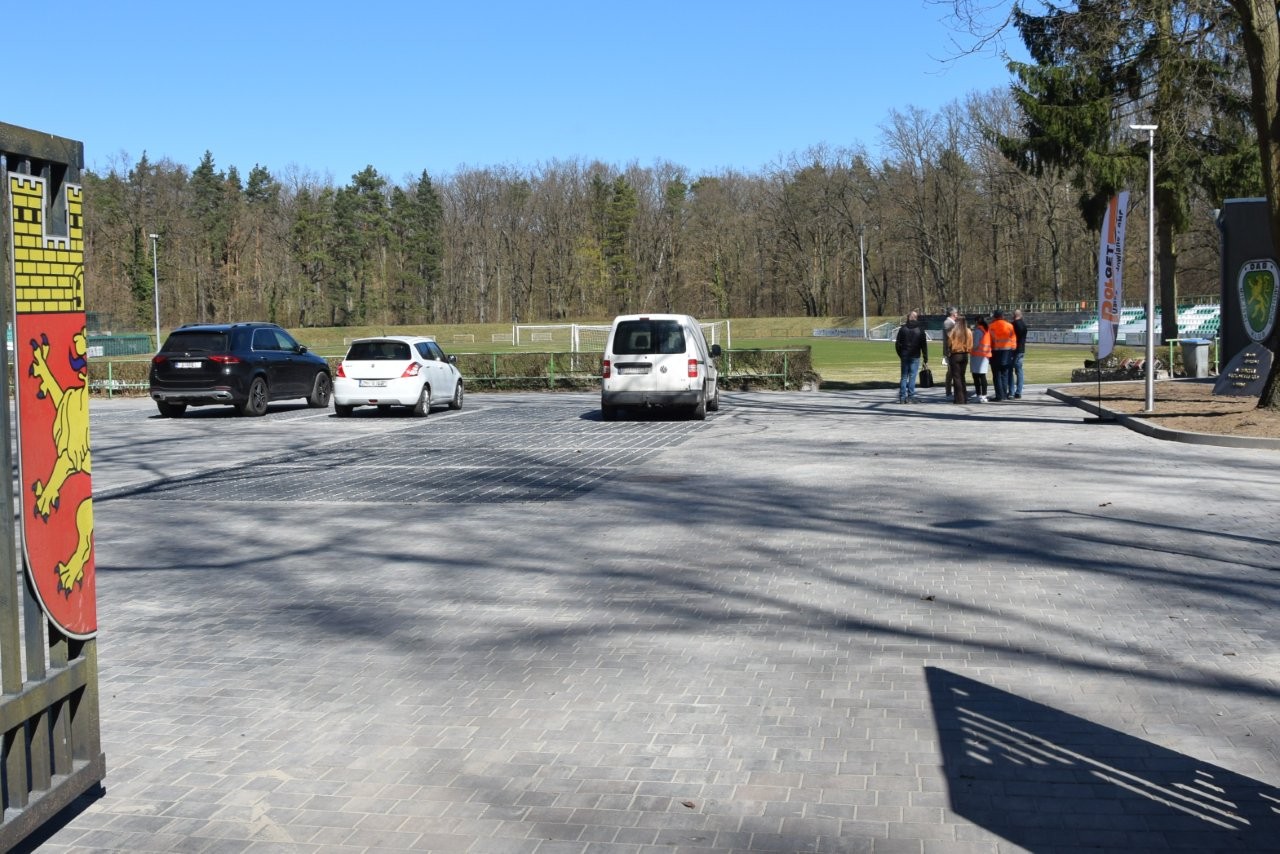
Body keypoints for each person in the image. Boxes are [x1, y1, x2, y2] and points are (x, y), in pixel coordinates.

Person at [894, 310, 929, 404]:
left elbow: (897, 344)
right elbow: (924, 345)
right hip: (915, 355)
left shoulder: (903, 329)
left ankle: (902, 397)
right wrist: (925, 358)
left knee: (904, 376)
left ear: (908, 318)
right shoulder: (920, 329)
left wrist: (900, 354)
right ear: (916, 318)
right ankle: (911, 396)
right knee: (912, 376)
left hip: (905, 355)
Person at [988, 309, 1017, 401]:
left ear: (994, 317)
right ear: (1003, 316)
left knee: (996, 375)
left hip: (995, 352)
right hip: (1007, 352)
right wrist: (1013, 348)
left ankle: (999, 395)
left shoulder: (991, 326)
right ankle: (1004, 394)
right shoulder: (1009, 326)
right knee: (1005, 374)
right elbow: (1013, 338)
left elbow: (989, 341)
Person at [947, 315, 972, 404]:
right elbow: (971, 344)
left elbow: (949, 342)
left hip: (955, 354)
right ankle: (964, 397)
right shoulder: (968, 331)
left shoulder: (953, 331)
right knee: (962, 377)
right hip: (965, 354)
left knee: (956, 378)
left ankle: (959, 398)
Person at [970, 315, 991, 403]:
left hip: (977, 355)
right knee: (983, 376)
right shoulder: (986, 330)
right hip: (985, 355)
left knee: (976, 376)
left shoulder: (978, 331)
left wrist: (969, 347)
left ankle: (979, 395)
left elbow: (975, 345)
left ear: (976, 322)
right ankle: (984, 395)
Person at [941, 307, 959, 396]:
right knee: (951, 372)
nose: (957, 314)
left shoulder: (952, 322)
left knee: (953, 371)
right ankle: (949, 391)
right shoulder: (948, 323)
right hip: (951, 351)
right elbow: (951, 337)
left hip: (954, 350)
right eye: (956, 313)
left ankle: (952, 391)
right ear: (953, 314)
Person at [1012, 308, 1028, 399]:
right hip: (1021, 349)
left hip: (1014, 349)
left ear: (1014, 316)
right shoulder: (1024, 325)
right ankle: (1019, 391)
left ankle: (1011, 391)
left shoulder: (1013, 325)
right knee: (1019, 371)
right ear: (1021, 315)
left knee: (1010, 370)